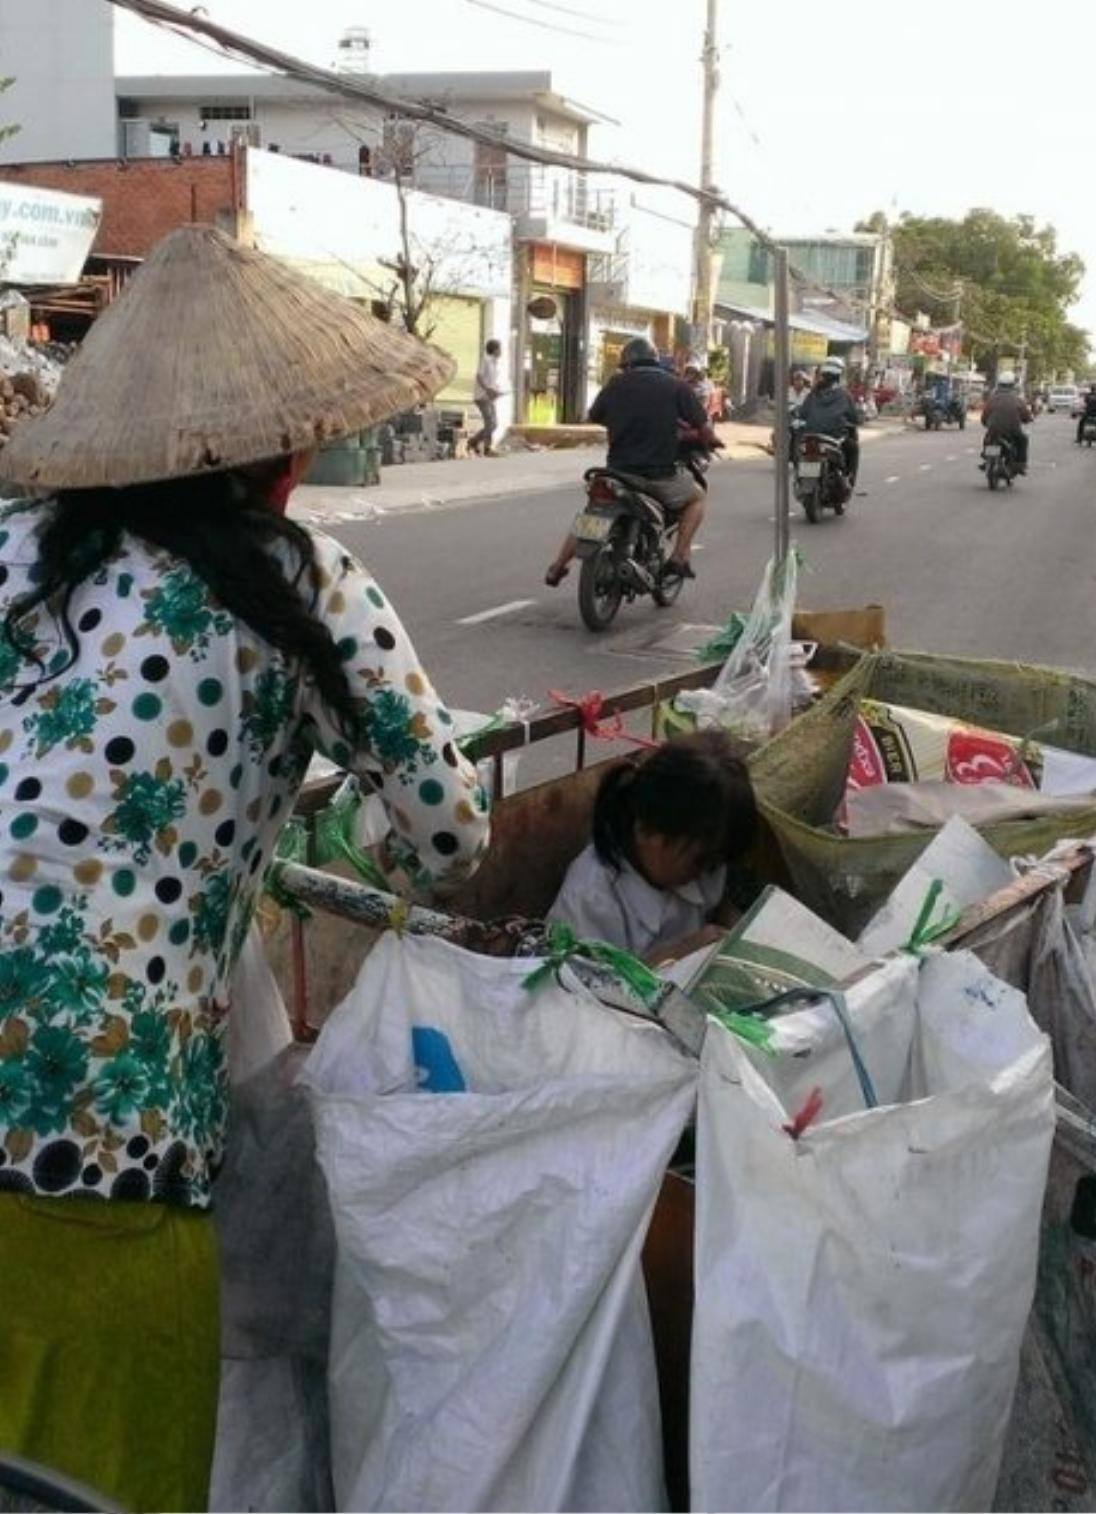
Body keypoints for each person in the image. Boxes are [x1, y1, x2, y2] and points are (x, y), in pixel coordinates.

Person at [0, 225, 491, 1514]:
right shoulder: (304, 581)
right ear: (284, 456)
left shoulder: (13, 555)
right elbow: (450, 831)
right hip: (86, 1145)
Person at [549, 732, 757, 965]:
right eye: (699, 861)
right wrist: (680, 955)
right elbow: (577, 990)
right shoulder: (589, 898)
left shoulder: (704, 863)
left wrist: (739, 934)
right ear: (648, 831)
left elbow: (720, 907)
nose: (705, 872)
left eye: (714, 863)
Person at [544, 336, 714, 587]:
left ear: (627, 364)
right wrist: (709, 440)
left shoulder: (615, 384)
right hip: (657, 476)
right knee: (697, 497)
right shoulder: (675, 386)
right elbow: (704, 428)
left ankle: (558, 566)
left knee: (591, 516)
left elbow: (596, 416)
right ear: (655, 361)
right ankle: (679, 556)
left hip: (617, 472)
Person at [796, 356, 863, 485]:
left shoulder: (813, 393)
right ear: (839, 375)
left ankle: (801, 479)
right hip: (834, 437)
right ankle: (849, 480)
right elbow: (854, 418)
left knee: (801, 448)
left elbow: (803, 414)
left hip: (812, 436)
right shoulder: (844, 395)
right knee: (853, 447)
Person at [980, 371, 1032, 473]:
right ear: (1013, 385)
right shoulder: (1018, 399)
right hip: (1012, 430)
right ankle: (1021, 464)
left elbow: (984, 416)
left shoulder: (992, 399)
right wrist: (1027, 419)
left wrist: (986, 423)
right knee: (1023, 440)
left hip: (994, 429)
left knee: (988, 438)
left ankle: (986, 458)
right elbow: (1026, 416)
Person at [468, 337, 504, 457]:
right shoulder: (486, 360)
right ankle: (488, 449)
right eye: (499, 349)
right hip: (482, 397)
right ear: (494, 350)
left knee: (494, 424)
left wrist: (496, 391)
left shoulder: (494, 363)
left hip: (490, 397)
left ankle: (473, 441)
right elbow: (479, 376)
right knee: (489, 422)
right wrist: (488, 390)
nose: (501, 351)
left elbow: (491, 381)